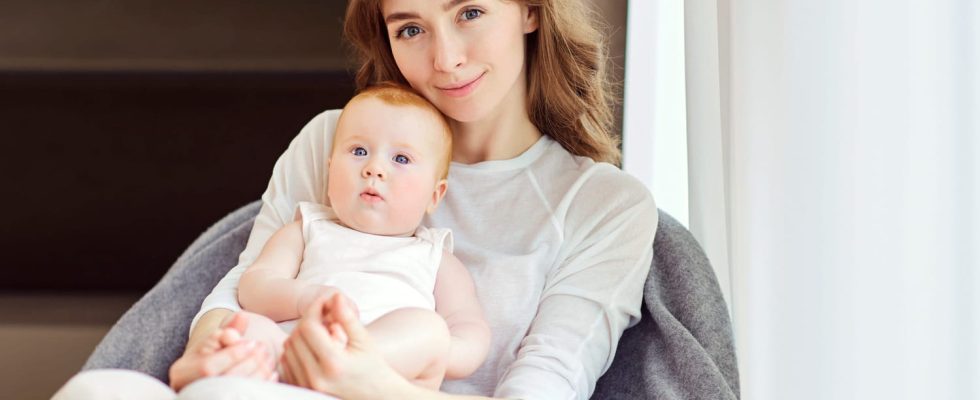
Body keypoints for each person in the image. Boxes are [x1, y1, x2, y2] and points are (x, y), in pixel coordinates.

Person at [54, 0, 658, 399]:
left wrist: (371, 383)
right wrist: (206, 355)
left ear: (529, 9)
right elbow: (246, 285)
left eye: (469, 11)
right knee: (98, 391)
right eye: (411, 28)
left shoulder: (603, 205)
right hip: (266, 375)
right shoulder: (338, 139)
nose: (445, 59)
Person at [233, 82, 490, 391]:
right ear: (330, 172)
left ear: (434, 195)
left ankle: (346, 365)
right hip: (299, 355)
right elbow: (253, 287)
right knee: (247, 327)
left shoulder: (435, 257)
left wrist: (437, 350)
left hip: (379, 378)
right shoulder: (306, 230)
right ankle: (296, 372)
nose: (374, 168)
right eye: (359, 151)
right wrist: (304, 298)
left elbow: (469, 329)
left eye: (401, 159)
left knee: (429, 329)